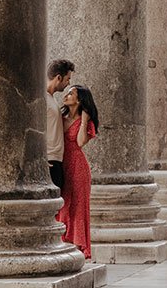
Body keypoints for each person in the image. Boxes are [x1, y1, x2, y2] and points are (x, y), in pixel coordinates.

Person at [55, 84, 100, 259]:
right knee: (63, 205)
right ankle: (62, 243)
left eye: (71, 93)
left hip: (78, 167)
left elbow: (80, 142)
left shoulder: (86, 122)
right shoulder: (59, 116)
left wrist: (83, 120)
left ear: (79, 100)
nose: (66, 95)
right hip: (60, 163)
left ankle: (76, 248)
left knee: (78, 208)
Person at [46, 59, 75, 191]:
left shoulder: (51, 99)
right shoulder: (42, 99)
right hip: (49, 161)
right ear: (58, 77)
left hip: (56, 160)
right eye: (67, 79)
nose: (68, 83)